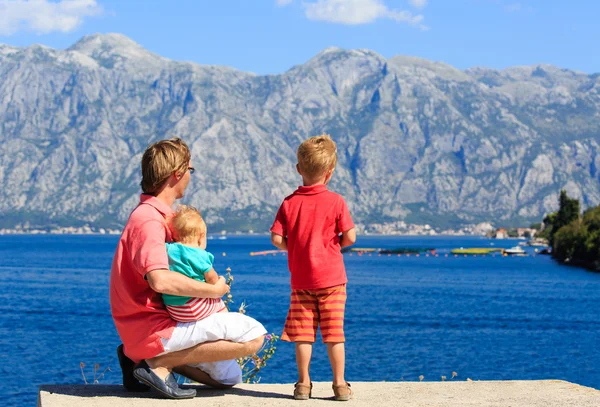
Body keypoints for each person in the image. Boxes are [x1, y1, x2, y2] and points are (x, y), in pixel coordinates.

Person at [110, 138, 266, 399]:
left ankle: (135, 359)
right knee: (254, 338)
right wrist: (212, 290)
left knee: (227, 379)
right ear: (178, 174)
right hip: (154, 329)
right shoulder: (148, 221)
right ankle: (156, 364)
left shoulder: (159, 217)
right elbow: (160, 281)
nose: (190, 177)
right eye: (190, 171)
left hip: (147, 329)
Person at [270, 134, 357, 401]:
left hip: (301, 282)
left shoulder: (289, 203)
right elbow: (351, 237)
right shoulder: (336, 202)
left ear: (299, 169)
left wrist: (295, 248)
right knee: (334, 334)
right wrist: (334, 245)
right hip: (332, 280)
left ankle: (303, 385)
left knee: (303, 335)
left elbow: (276, 239)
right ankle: (340, 385)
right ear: (330, 173)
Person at [162, 205, 243, 385]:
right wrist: (222, 282)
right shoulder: (201, 256)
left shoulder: (168, 249)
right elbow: (213, 280)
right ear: (200, 237)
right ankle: (226, 328)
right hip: (193, 309)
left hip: (174, 309)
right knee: (219, 304)